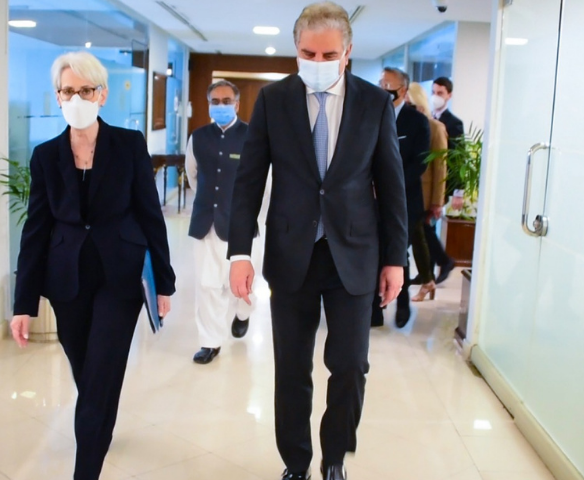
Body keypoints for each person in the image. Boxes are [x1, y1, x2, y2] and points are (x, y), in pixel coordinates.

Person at [227, 3, 408, 479]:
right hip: (291, 254)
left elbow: (392, 186)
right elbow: (248, 181)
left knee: (350, 366)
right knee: (291, 370)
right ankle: (296, 462)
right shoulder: (273, 100)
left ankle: (334, 456)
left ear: (347, 53)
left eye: (329, 53)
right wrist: (240, 251)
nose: (318, 61)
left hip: (354, 253)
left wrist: (395, 259)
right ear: (296, 50)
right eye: (308, 52)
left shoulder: (374, 103)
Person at [9, 51, 176, 480]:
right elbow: (36, 228)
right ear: (57, 96)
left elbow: (149, 213)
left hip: (120, 276)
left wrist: (165, 284)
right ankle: (99, 421)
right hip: (67, 279)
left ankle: (87, 467)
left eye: (85, 90)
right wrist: (23, 302)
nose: (76, 98)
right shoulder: (46, 156)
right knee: (88, 369)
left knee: (102, 367)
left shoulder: (128, 145)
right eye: (68, 91)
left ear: (101, 95)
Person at [185, 80, 255, 365]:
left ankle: (243, 313)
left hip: (241, 225)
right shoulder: (198, 137)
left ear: (237, 105)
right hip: (205, 221)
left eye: (227, 101)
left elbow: (263, 182)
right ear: (209, 104)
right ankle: (210, 342)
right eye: (216, 101)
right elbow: (192, 175)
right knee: (207, 285)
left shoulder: (252, 136)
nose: (221, 106)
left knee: (240, 285)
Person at [371, 68, 430, 329]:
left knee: (398, 252)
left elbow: (420, 163)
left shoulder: (417, 122)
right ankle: (375, 308)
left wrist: (389, 185)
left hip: (405, 200)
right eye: (381, 83)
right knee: (373, 251)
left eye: (389, 85)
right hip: (371, 199)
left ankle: (402, 300)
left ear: (403, 91)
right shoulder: (370, 116)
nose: (383, 88)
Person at [407, 82, 449, 301]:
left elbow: (441, 166)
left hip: (423, 196)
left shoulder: (435, 127)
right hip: (409, 193)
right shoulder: (405, 124)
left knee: (416, 236)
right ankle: (427, 281)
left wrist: (437, 201)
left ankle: (427, 280)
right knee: (417, 237)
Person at [428, 76, 461, 283]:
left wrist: (458, 192)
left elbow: (458, 158)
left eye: (440, 93)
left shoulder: (454, 123)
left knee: (425, 227)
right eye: (434, 92)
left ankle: (441, 263)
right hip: (427, 182)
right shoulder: (426, 117)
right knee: (425, 228)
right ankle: (429, 273)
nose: (436, 97)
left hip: (441, 184)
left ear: (449, 95)